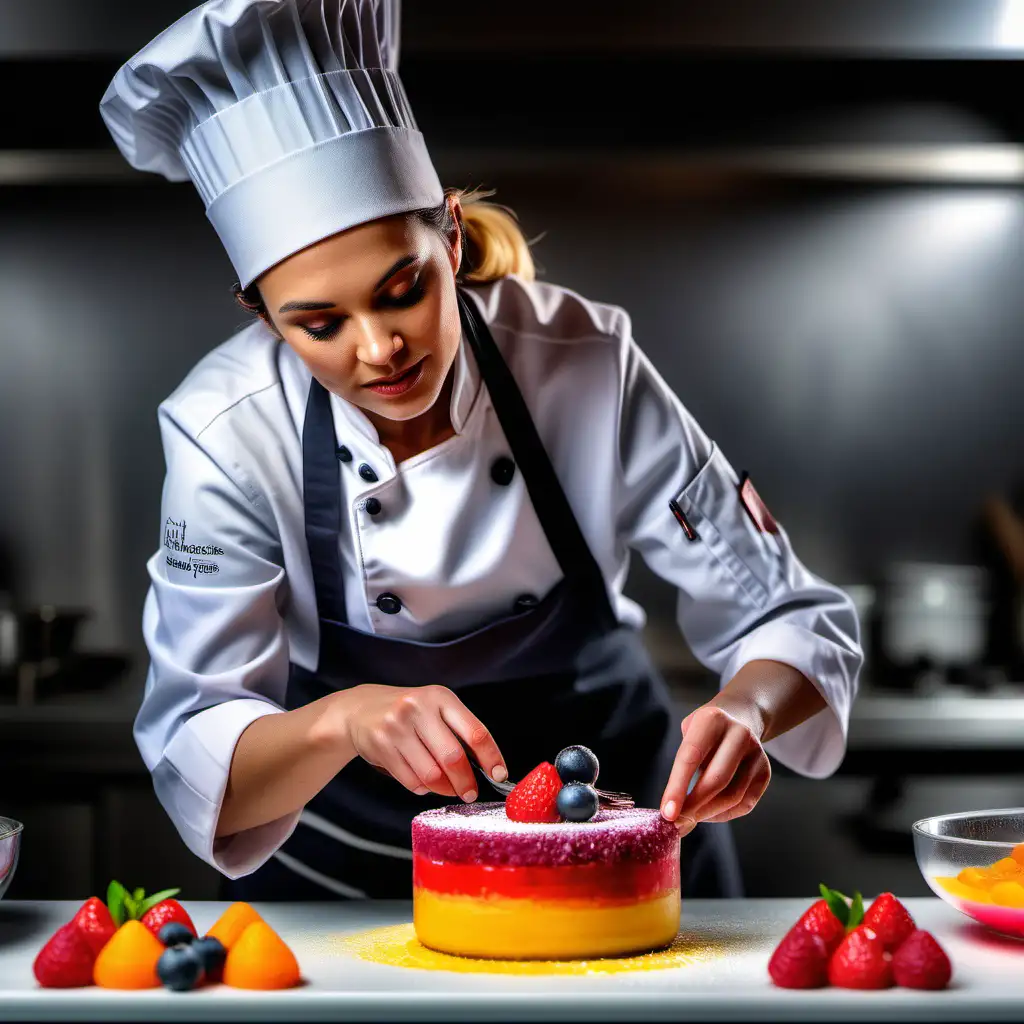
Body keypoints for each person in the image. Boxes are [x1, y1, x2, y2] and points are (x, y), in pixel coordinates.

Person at [99, 0, 862, 902]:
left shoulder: (584, 360)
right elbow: (198, 747)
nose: (379, 348)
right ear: (264, 318)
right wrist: (344, 720)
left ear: (451, 239)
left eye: (401, 290)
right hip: (359, 878)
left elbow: (790, 617)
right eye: (319, 324)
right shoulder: (225, 429)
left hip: (629, 846)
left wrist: (748, 708)